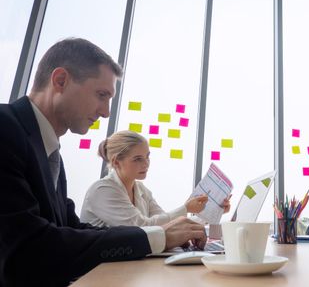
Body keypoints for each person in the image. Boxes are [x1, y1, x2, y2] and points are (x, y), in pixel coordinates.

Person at [0, 38, 206, 287]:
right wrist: (156, 238)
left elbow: (73, 229)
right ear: (60, 81)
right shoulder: (6, 129)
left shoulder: (50, 154)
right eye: (101, 95)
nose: (106, 112)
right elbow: (29, 249)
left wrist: (159, 237)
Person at [80, 130, 231, 227]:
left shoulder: (141, 190)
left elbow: (169, 223)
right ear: (116, 162)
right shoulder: (103, 190)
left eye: (147, 157)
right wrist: (186, 208)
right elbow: (141, 227)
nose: (146, 164)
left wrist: (213, 212)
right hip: (98, 271)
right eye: (138, 159)